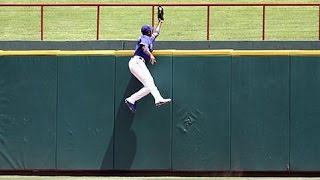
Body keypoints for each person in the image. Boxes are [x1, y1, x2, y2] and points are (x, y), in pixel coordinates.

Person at [125, 19, 171, 113]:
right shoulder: (144, 38)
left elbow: (156, 33)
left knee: (149, 86)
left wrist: (160, 22)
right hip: (138, 62)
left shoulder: (149, 38)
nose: (152, 30)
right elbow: (144, 47)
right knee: (150, 82)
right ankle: (158, 99)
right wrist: (150, 55)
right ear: (149, 32)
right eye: (151, 29)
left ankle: (131, 99)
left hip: (136, 63)